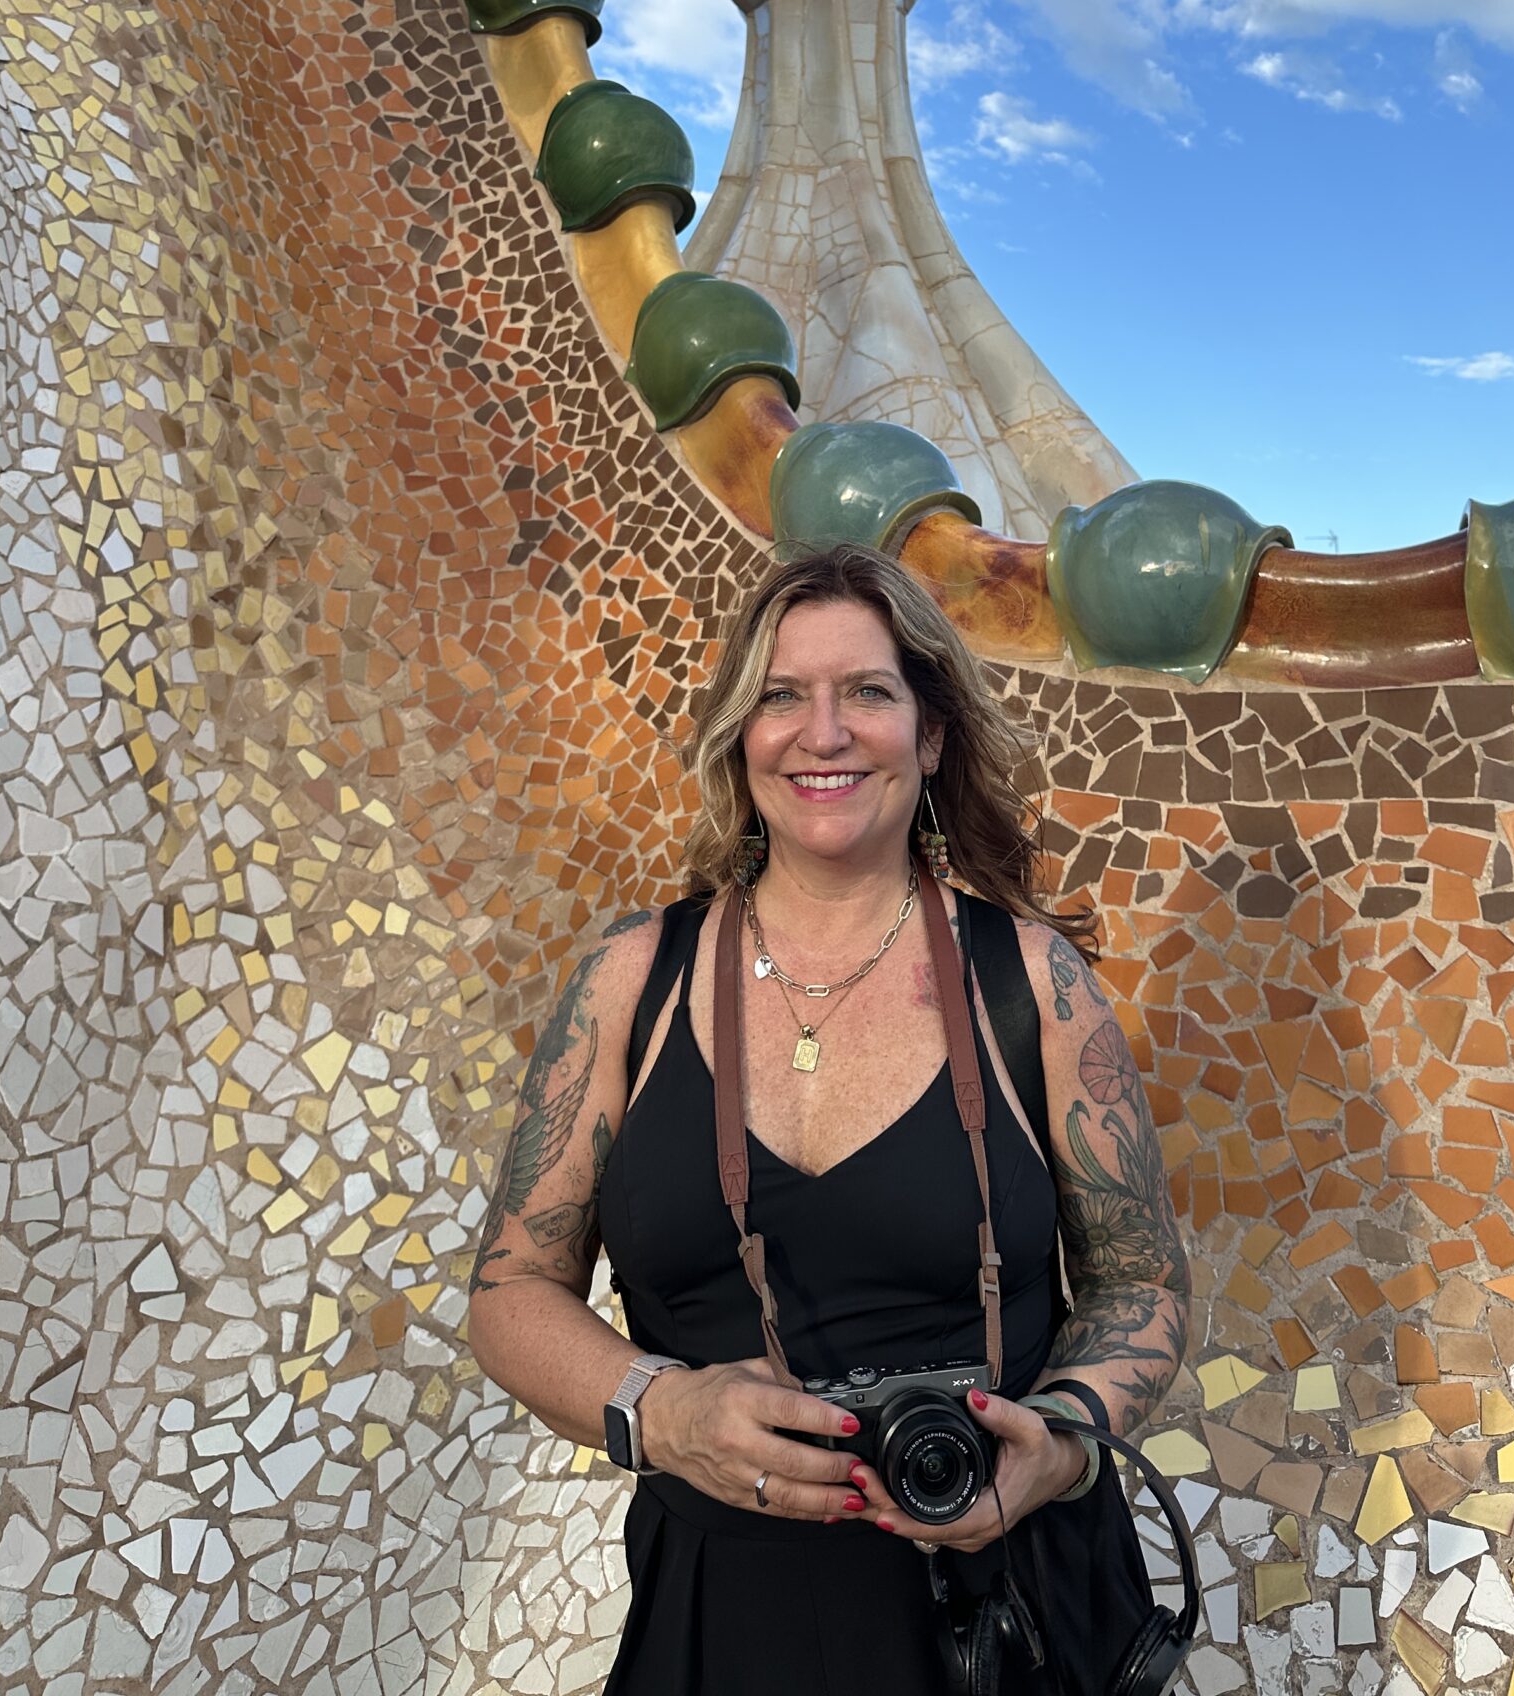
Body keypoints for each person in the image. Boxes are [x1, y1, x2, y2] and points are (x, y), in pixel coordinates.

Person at [467, 545, 1191, 1695]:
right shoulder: (629, 983)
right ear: (737, 735)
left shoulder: (1035, 986)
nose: (824, 731)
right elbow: (510, 1287)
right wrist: (656, 1410)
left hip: (1013, 1620)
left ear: (933, 733)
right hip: (720, 1619)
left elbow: (1143, 1285)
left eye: (868, 691)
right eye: (780, 694)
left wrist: (1054, 1442)